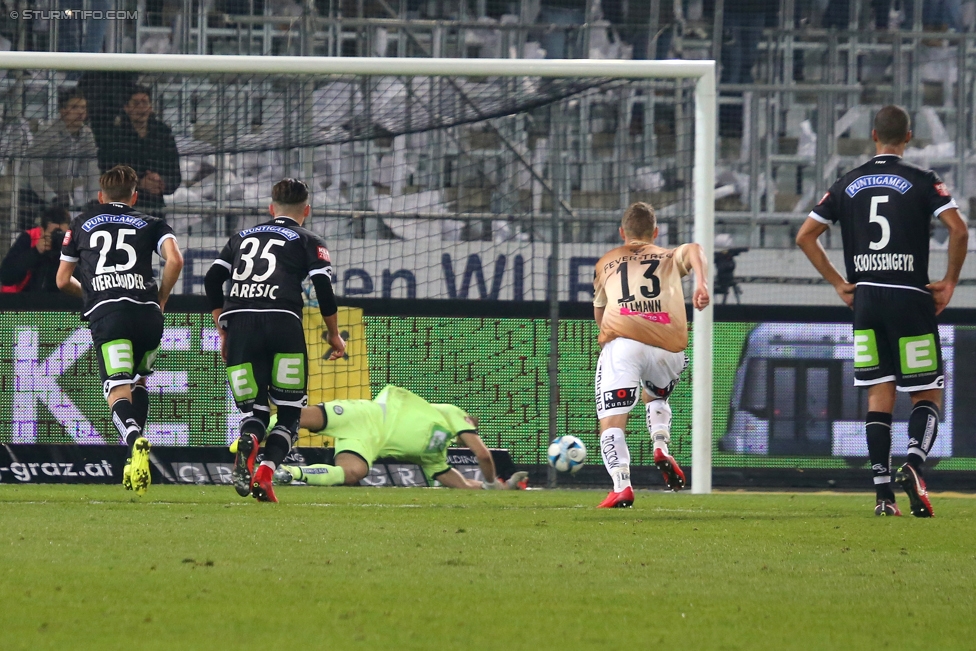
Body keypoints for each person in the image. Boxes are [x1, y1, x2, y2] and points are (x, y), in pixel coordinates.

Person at [796, 105, 967, 518]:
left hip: (867, 299)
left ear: (874, 135)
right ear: (908, 138)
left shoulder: (847, 182)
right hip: (910, 295)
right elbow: (959, 230)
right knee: (926, 391)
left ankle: (883, 497)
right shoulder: (922, 180)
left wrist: (839, 282)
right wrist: (949, 282)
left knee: (879, 392)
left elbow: (805, 236)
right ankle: (914, 465)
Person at [204, 178, 345, 503]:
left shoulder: (240, 237)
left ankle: (249, 443)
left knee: (255, 412)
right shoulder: (309, 239)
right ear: (306, 210)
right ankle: (265, 475)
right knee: (290, 413)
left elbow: (213, 278)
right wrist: (334, 334)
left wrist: (222, 328)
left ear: (271, 208)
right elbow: (324, 289)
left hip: (240, 325)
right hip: (283, 323)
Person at [55, 165, 184, 496]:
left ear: (100, 195)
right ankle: (133, 458)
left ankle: (133, 439)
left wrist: (93, 293)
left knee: (116, 388)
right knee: (139, 380)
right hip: (148, 314)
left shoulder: (82, 222)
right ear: (135, 196)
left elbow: (61, 279)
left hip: (109, 315)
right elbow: (175, 260)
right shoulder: (152, 223)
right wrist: (163, 297)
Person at [592, 201, 710, 509]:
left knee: (612, 423)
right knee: (656, 397)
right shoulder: (668, 256)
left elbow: (600, 312)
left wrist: (609, 340)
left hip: (625, 344)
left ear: (622, 233)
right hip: (668, 348)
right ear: (655, 232)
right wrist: (701, 284)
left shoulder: (606, 262)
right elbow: (696, 248)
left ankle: (621, 486)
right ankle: (660, 444)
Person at [266, 385, 530, 490]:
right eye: (472, 426)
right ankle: (254, 432)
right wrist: (492, 480)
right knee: (304, 416)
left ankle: (289, 473)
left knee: (353, 472)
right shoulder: (451, 412)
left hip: (368, 442)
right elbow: (483, 454)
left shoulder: (435, 453)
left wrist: (493, 487)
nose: (472, 429)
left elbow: (460, 484)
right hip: (366, 415)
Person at [98, 87, 181, 218]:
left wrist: (160, 181)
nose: (141, 108)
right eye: (136, 103)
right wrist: (139, 183)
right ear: (126, 107)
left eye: (145, 103)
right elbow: (107, 173)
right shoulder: (115, 136)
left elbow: (175, 175)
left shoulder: (163, 133)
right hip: (122, 211)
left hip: (155, 211)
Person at [23, 89, 100, 215]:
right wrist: (51, 197)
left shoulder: (87, 134)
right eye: (75, 107)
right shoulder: (48, 132)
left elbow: (91, 167)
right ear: (62, 110)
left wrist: (94, 198)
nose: (80, 112)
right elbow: (32, 168)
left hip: (65, 195)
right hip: (35, 195)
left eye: (83, 108)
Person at [0, 206, 71, 293]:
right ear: (42, 230)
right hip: (27, 299)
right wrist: (35, 252)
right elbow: (6, 277)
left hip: (65, 301)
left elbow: (84, 281)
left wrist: (70, 254)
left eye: (62, 234)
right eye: (54, 233)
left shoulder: (75, 243)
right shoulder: (29, 238)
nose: (58, 237)